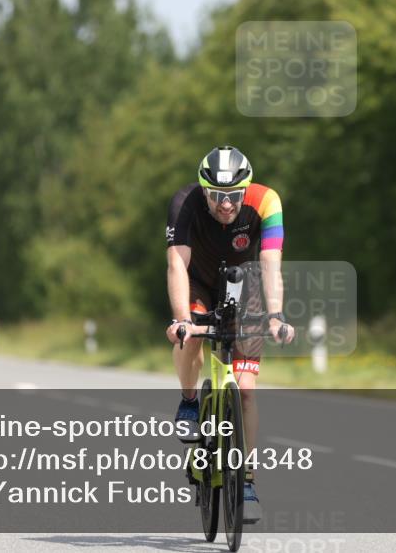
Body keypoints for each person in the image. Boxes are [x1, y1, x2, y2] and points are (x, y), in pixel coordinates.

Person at [165, 145, 295, 523]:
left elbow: (270, 262)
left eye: (234, 196)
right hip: (199, 283)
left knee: (248, 390)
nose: (226, 204)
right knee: (188, 336)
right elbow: (176, 264)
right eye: (218, 196)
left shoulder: (267, 201)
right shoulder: (185, 203)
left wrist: (276, 315)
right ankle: (190, 400)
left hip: (245, 283)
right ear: (204, 190)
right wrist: (180, 321)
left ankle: (248, 478)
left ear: (246, 189)